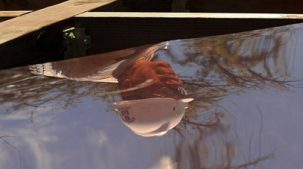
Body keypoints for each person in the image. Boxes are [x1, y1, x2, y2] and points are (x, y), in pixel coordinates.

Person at [30, 43, 193, 137]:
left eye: (166, 90)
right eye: (179, 90)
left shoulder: (103, 60)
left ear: (130, 88)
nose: (175, 81)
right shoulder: (134, 66)